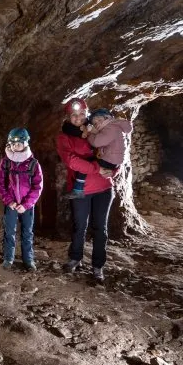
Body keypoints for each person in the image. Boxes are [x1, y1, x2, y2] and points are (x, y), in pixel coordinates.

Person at [56, 99, 114, 282]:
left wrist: (114, 170)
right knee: (79, 226)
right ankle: (75, 258)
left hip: (104, 188)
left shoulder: (99, 131)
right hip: (80, 189)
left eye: (82, 113)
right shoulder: (64, 137)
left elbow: (115, 151)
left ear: (87, 114)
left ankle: (98, 266)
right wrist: (98, 168)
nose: (78, 118)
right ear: (68, 117)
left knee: (100, 228)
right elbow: (72, 161)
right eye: (74, 115)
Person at [0, 128, 43, 271]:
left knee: (27, 232)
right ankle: (8, 258)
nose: (16, 146)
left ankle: (28, 260)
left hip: (27, 205)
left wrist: (26, 204)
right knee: (9, 231)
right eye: (13, 144)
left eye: (19, 144)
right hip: (11, 204)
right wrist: (9, 201)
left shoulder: (33, 164)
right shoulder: (6, 162)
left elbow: (37, 186)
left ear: (25, 143)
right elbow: (0, 183)